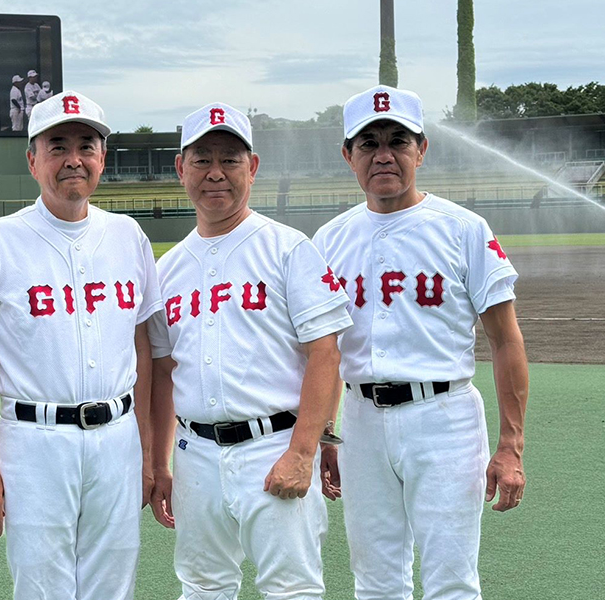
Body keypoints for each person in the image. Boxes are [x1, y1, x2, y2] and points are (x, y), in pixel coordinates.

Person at [311, 84, 529, 600]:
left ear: (421, 149)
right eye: (368, 143)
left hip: (445, 417)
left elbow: (505, 340)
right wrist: (325, 431)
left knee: (451, 581)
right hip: (362, 423)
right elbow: (326, 350)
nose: (383, 154)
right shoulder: (329, 239)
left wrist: (511, 446)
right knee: (375, 581)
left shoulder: (464, 229)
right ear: (348, 155)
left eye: (398, 141)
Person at [0, 90, 161, 600]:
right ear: (32, 159)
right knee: (42, 587)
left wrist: (149, 452)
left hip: (117, 437)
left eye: (87, 145)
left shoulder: (128, 236)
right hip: (35, 440)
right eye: (57, 145)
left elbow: (143, 348)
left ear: (102, 158)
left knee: (114, 586)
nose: (73, 158)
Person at [147, 103, 352, 600]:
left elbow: (326, 355)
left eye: (230, 159)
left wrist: (304, 451)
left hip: (273, 444)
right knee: (201, 587)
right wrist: (159, 464)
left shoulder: (288, 248)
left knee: (291, 590)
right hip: (195, 454)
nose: (215, 172)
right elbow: (164, 373)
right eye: (201, 159)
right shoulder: (167, 268)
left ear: (252, 167)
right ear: (181, 169)